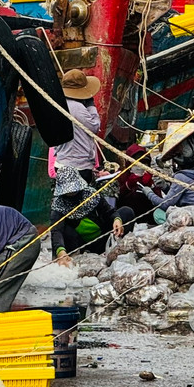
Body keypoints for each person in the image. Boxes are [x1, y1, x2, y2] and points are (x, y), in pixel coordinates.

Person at [49, 69, 116, 261]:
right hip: (79, 167)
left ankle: (61, 249)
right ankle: (87, 244)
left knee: (62, 209)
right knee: (84, 207)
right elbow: (95, 126)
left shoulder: (58, 104)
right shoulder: (78, 107)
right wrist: (90, 103)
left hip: (63, 164)